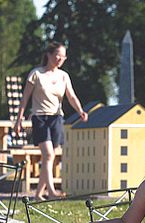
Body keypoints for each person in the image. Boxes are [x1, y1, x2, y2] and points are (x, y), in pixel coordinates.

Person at [13, 41, 88, 201]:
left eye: (63, 56)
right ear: (49, 55)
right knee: (48, 154)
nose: (60, 58)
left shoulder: (63, 76)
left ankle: (38, 194)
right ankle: (52, 191)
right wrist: (18, 119)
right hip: (40, 117)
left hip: (57, 118)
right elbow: (25, 98)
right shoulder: (36, 74)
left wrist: (80, 110)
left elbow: (71, 96)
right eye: (57, 55)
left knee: (51, 156)